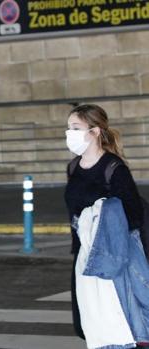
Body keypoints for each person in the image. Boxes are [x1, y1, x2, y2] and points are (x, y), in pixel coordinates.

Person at [64, 104, 145, 347]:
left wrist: (98, 217)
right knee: (86, 324)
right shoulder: (73, 167)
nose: (70, 134)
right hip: (83, 254)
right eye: (68, 128)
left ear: (95, 131)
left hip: (112, 257)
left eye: (76, 128)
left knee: (119, 325)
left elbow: (134, 215)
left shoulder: (114, 168)